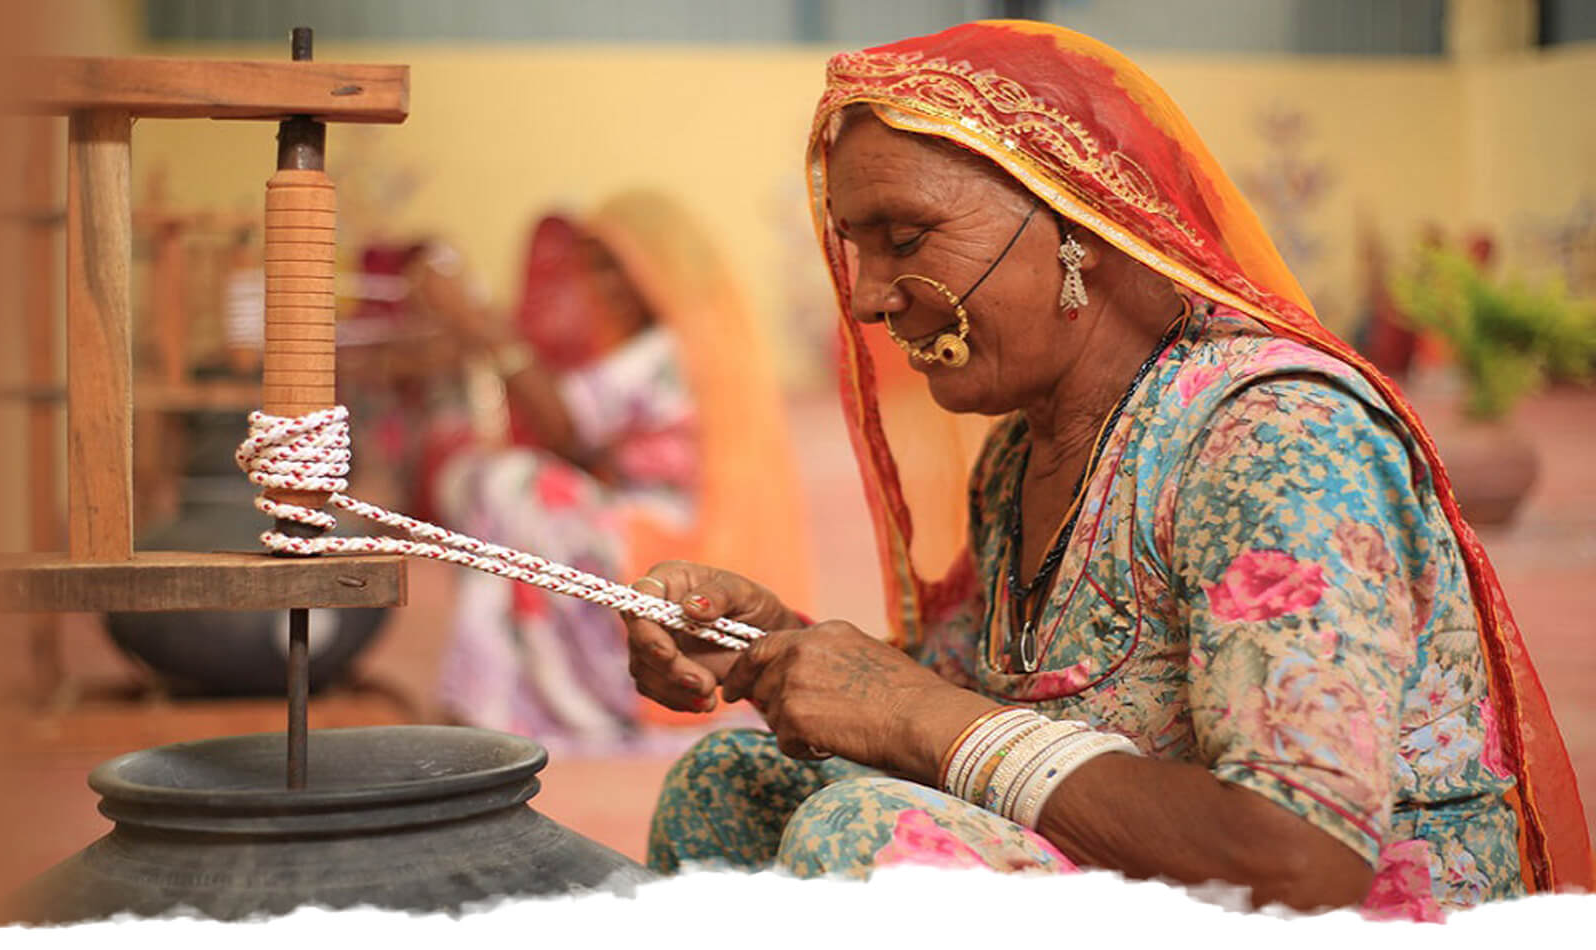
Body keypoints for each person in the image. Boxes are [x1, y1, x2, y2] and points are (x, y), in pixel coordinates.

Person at [623, 21, 1592, 919]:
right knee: (728, 788)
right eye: (857, 249)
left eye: (906, 240)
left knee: (873, 843)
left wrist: (910, 710)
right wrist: (772, 646)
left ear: (1080, 225)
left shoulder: (1272, 435)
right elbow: (972, 711)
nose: (871, 297)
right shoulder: (1024, 454)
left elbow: (1303, 857)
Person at [412, 191, 814, 754]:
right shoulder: (666, 349)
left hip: (669, 542)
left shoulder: (667, 353)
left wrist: (483, 328)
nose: (597, 284)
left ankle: (501, 699)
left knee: (511, 481)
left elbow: (566, 427)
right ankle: (508, 693)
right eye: (592, 265)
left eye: (613, 266)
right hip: (633, 523)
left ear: (657, 271)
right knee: (497, 479)